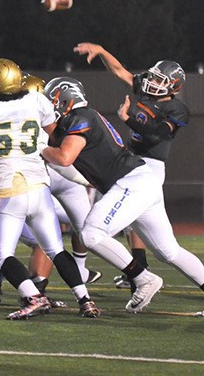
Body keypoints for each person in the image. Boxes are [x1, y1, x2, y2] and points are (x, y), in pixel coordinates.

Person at [40, 76, 204, 318]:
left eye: (50, 102)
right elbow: (68, 160)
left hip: (131, 183)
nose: (47, 108)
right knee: (168, 252)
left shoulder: (80, 118)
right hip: (140, 182)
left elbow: (63, 157)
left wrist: (37, 148)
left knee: (91, 234)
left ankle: (143, 279)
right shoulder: (81, 118)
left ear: (63, 100)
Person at [0, 59, 99, 320]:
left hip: (10, 191)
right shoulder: (36, 101)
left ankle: (33, 297)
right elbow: (54, 136)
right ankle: (85, 300)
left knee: (1, 254)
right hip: (40, 188)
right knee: (56, 250)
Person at [73, 42, 189, 291]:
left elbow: (158, 134)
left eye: (160, 80)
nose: (152, 82)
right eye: (154, 77)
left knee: (130, 222)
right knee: (130, 221)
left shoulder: (177, 109)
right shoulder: (146, 93)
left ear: (173, 86)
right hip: (130, 161)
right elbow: (120, 71)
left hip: (151, 165)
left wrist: (127, 120)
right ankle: (137, 269)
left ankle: (139, 272)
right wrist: (103, 51)